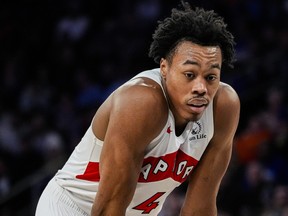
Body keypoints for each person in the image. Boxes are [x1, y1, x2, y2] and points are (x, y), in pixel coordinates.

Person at [35, 1, 240, 215]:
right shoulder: (142, 103)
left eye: (211, 77)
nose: (201, 88)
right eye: (189, 75)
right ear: (164, 68)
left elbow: (200, 208)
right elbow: (109, 208)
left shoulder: (224, 107)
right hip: (74, 206)